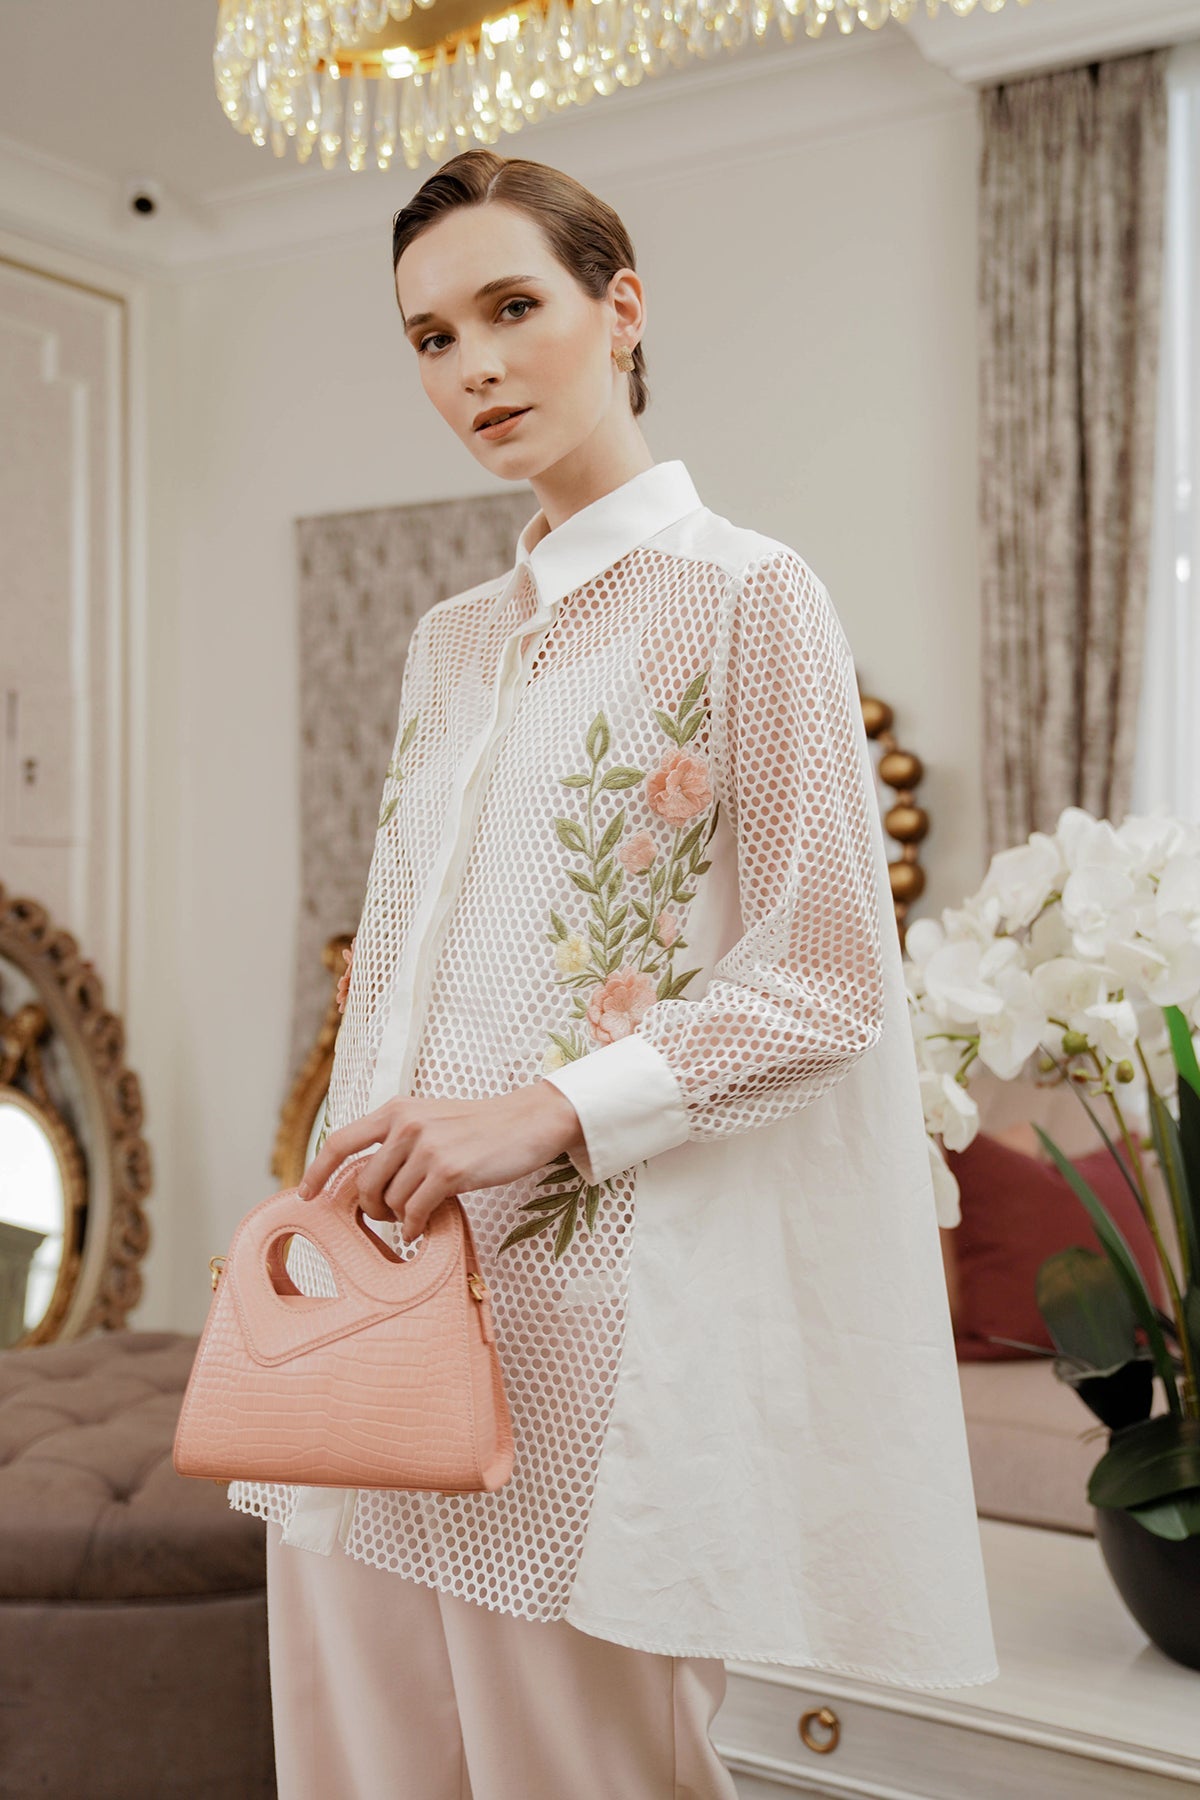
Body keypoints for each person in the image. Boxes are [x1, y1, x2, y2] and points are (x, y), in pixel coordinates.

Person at [228, 149, 998, 1800]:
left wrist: (545, 1112)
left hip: (590, 1327)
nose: (476, 367)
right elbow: (399, 974)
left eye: (513, 307)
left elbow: (829, 977)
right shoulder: (447, 641)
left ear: (621, 307)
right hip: (376, 1310)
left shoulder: (748, 596)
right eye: (432, 338)